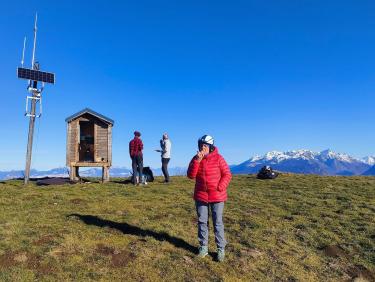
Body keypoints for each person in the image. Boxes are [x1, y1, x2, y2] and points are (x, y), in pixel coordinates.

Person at [187, 135, 232, 262]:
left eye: (205, 145)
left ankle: (221, 249)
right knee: (202, 222)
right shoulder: (196, 158)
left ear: (211, 147)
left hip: (217, 196)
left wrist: (220, 187)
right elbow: (190, 175)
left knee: (217, 222)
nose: (203, 147)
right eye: (201, 145)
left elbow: (227, 174)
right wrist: (197, 161)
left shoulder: (218, 158)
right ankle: (203, 247)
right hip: (201, 196)